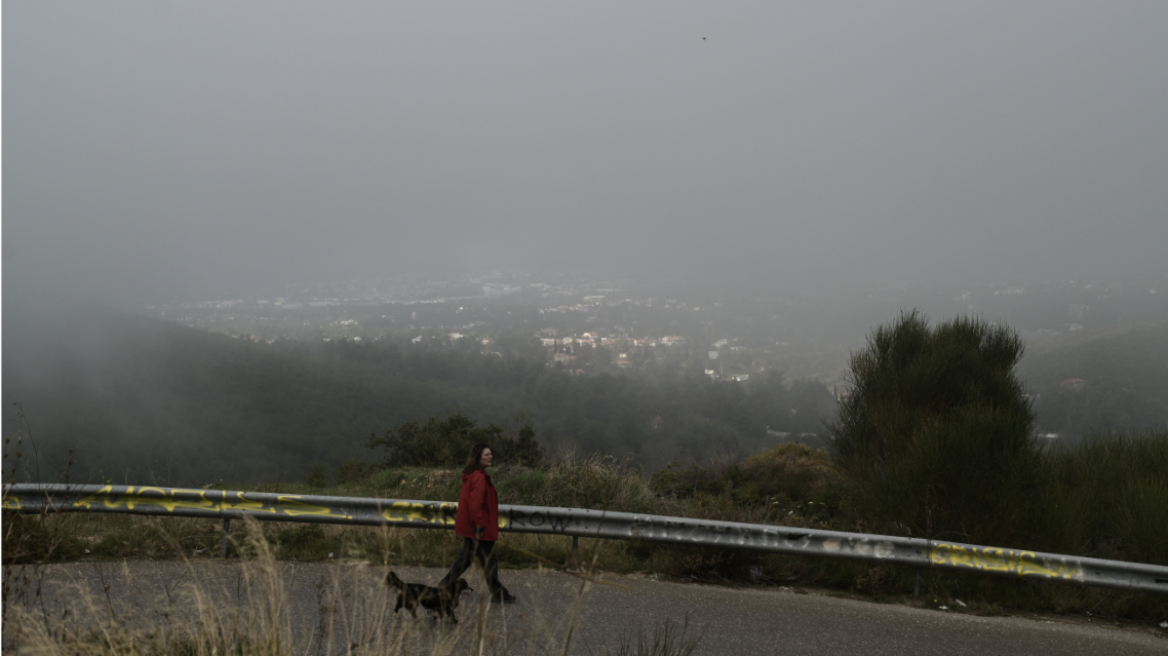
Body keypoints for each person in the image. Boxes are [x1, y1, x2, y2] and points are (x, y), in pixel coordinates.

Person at [439, 443, 517, 603]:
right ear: (478, 457)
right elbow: (475, 504)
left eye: (491, 454)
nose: (491, 457)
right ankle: (445, 586)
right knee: (481, 559)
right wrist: (479, 525)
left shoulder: (473, 475)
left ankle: (497, 592)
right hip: (480, 527)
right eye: (487, 454)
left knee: (479, 559)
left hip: (475, 525)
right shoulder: (479, 477)